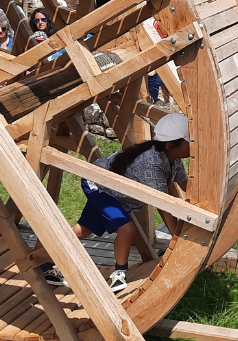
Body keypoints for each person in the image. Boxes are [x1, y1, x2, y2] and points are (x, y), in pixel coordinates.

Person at [66, 113, 192, 292]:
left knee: (83, 230)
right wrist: (178, 240)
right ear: (171, 145)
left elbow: (186, 186)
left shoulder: (173, 160)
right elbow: (164, 207)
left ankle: (47, 255)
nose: (194, 145)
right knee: (127, 229)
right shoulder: (151, 165)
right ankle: (119, 273)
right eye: (190, 141)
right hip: (98, 184)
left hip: (114, 191)